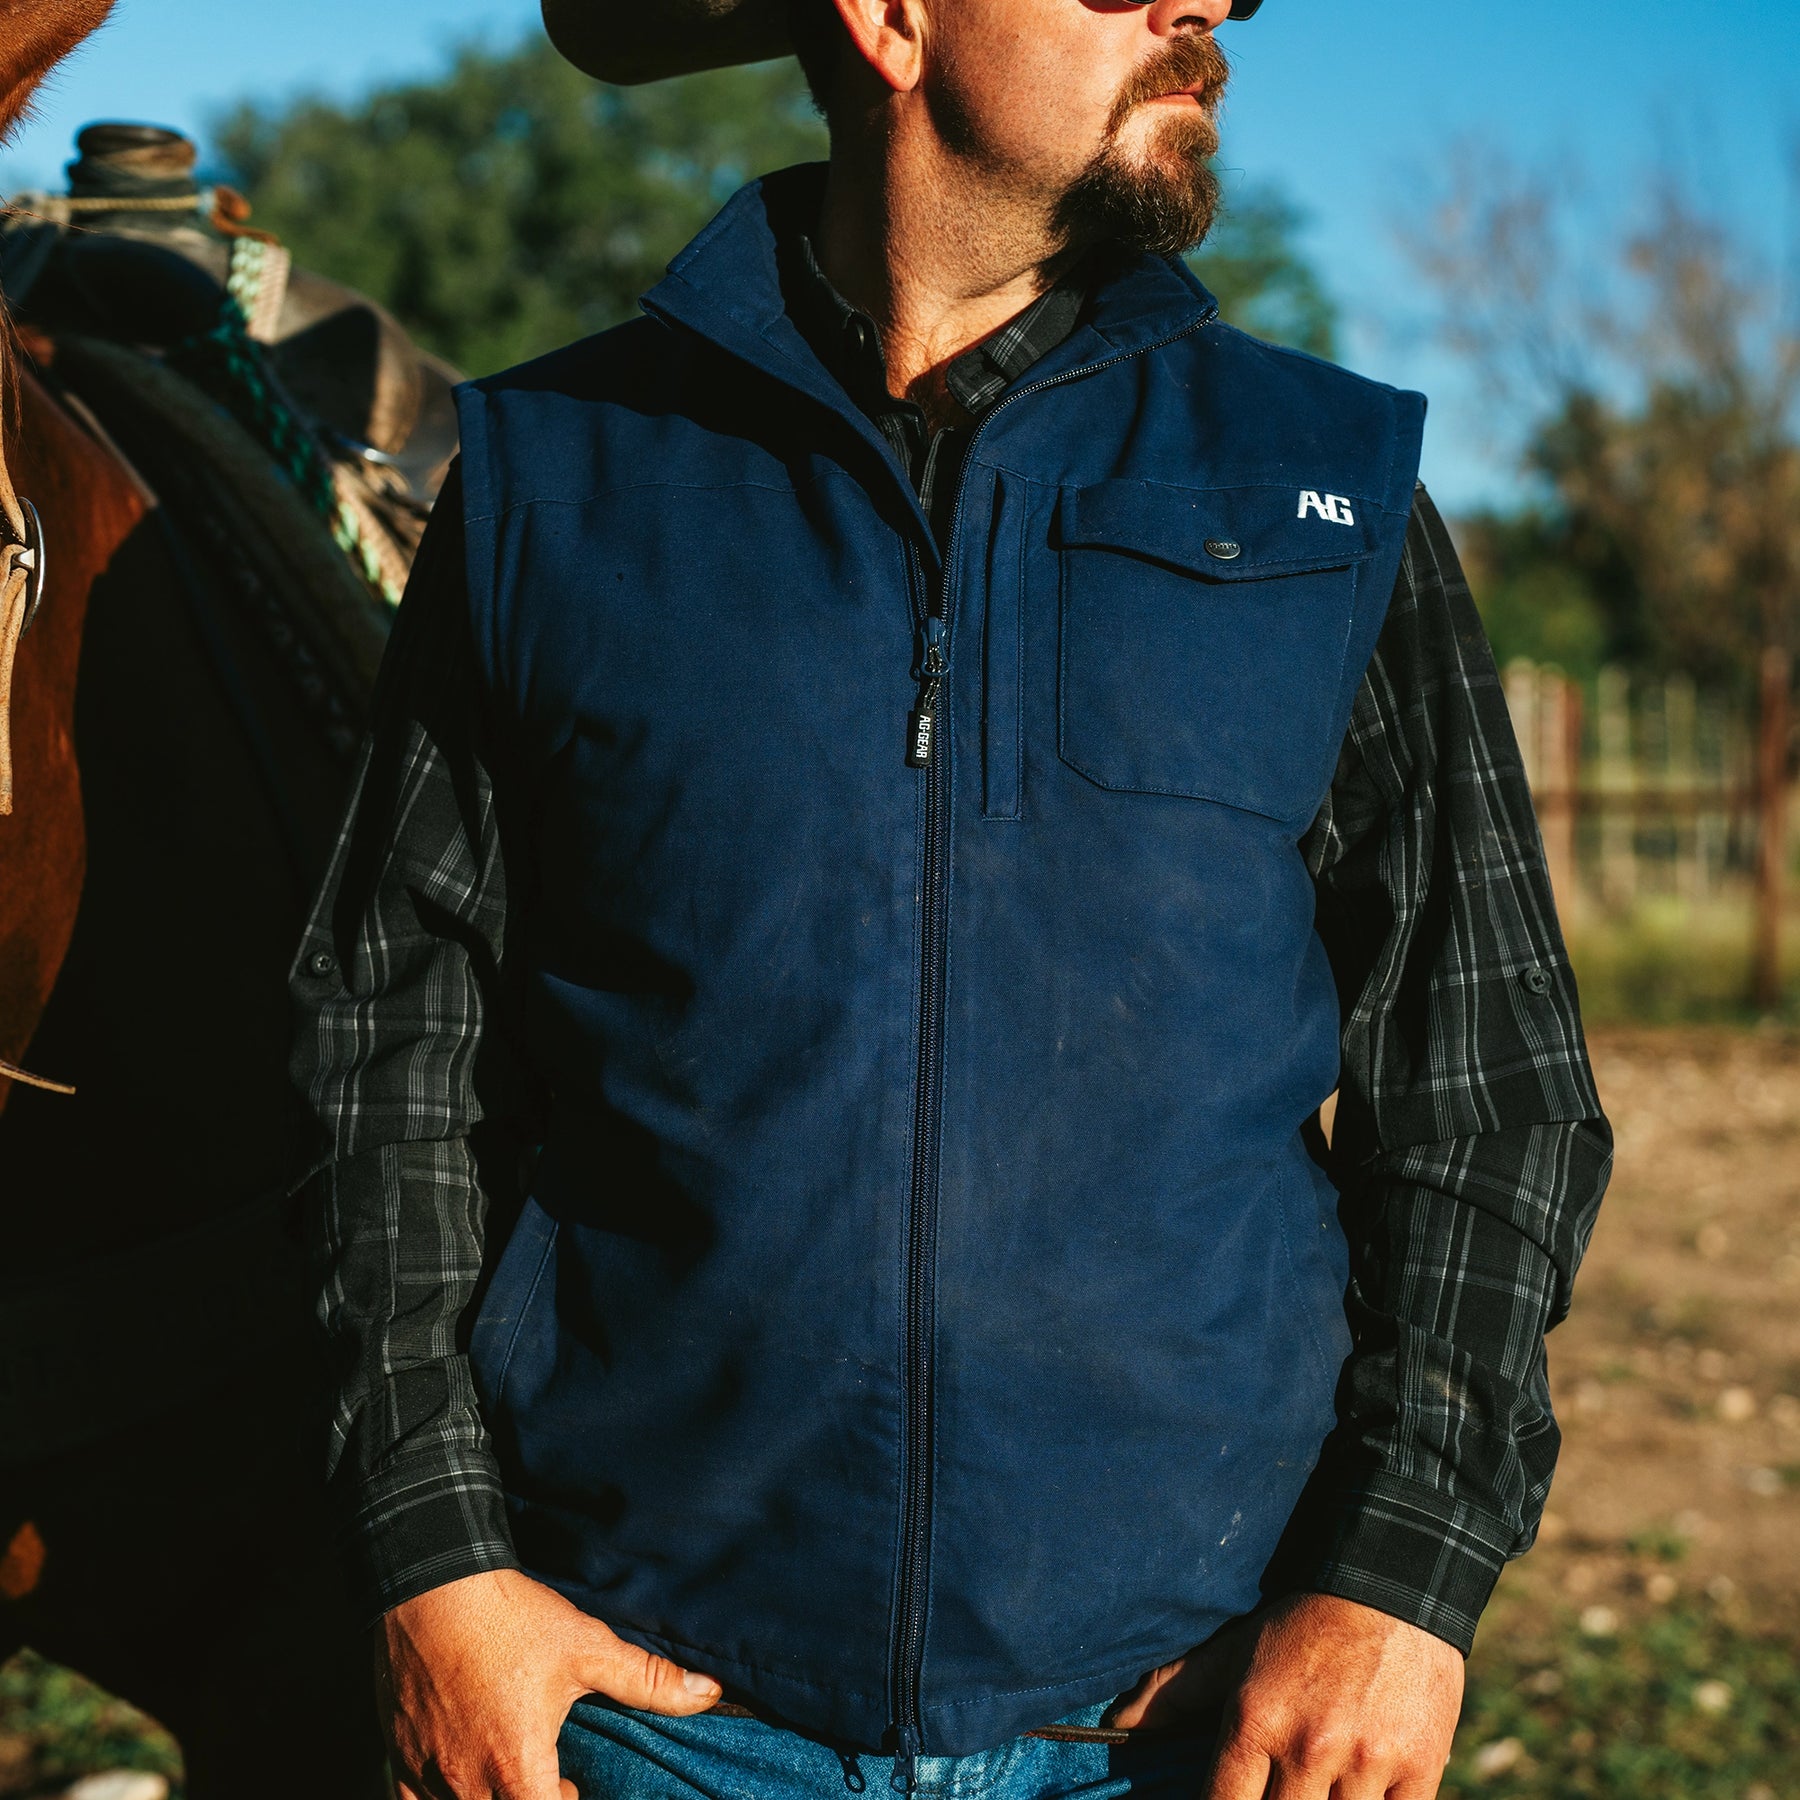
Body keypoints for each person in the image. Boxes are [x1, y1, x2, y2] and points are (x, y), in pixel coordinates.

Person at [289, 0, 1613, 1794]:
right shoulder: (556, 479)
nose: (1206, 6)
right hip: (649, 1711)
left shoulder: (1324, 488)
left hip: (1183, 1716)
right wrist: (433, 1555)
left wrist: (1400, 1581)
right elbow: (385, 1050)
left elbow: (1488, 1088)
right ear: (892, 19)